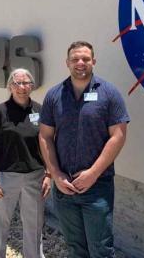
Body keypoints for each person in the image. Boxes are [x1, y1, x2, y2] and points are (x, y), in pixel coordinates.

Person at [39, 41, 130, 258]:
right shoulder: (54, 96)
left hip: (97, 188)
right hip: (64, 188)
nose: (80, 63)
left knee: (101, 250)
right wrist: (56, 175)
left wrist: (92, 173)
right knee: (75, 248)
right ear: (67, 63)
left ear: (94, 61)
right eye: (75, 59)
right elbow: (45, 136)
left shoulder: (109, 94)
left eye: (86, 59)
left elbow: (118, 136)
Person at [0, 68, 51, 258]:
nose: (21, 87)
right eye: (17, 83)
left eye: (26, 83)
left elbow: (48, 144)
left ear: (32, 86)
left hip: (35, 177)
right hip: (3, 178)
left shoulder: (40, 111)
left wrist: (49, 175)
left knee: (34, 228)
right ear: (10, 86)